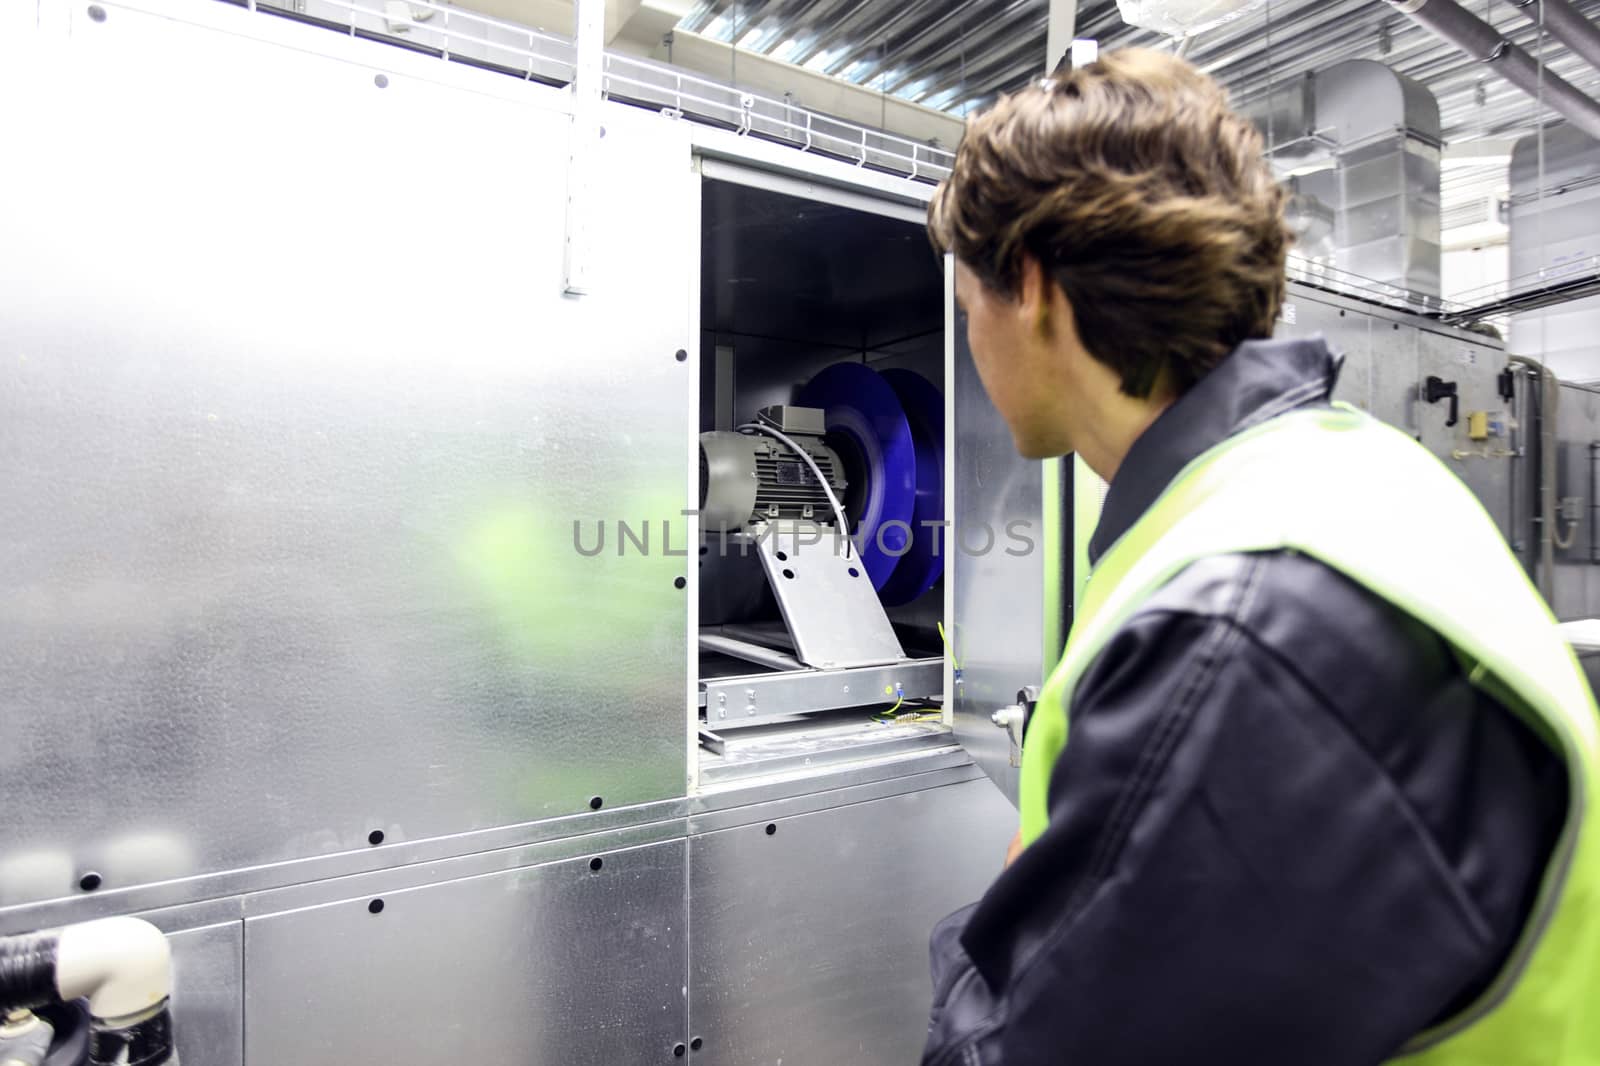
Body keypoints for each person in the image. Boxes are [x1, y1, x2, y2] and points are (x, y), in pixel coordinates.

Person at [920, 47, 1600, 1066]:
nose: (967, 337)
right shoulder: (1341, 473)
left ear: (1034, 290)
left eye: (966, 300)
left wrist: (989, 937)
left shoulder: (1238, 625)